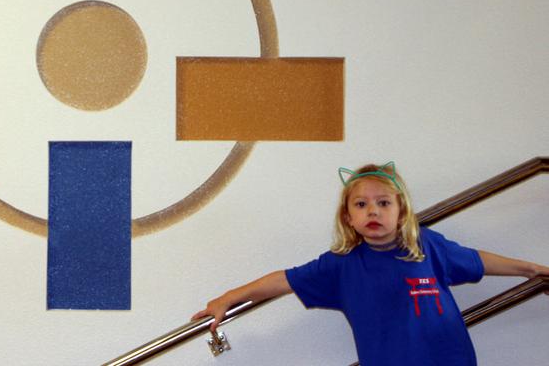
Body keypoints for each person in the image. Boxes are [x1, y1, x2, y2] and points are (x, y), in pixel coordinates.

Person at [191, 162, 549, 366]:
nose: (373, 210)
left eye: (383, 203)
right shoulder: (341, 266)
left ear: (401, 211)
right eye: (361, 205)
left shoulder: (427, 247)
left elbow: (477, 261)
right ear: (348, 218)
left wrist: (531, 269)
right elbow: (283, 280)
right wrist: (227, 297)